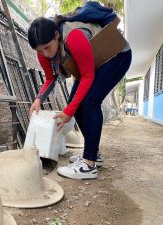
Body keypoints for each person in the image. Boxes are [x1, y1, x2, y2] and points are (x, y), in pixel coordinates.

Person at [27, 13, 132, 179]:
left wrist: (68, 111)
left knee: (89, 102)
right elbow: (49, 78)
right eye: (40, 51)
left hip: (116, 55)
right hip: (95, 61)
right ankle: (94, 154)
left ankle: (88, 165)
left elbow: (88, 75)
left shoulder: (73, 36)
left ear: (56, 35)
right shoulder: (43, 50)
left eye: (47, 47)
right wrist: (38, 99)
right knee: (75, 106)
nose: (45, 54)